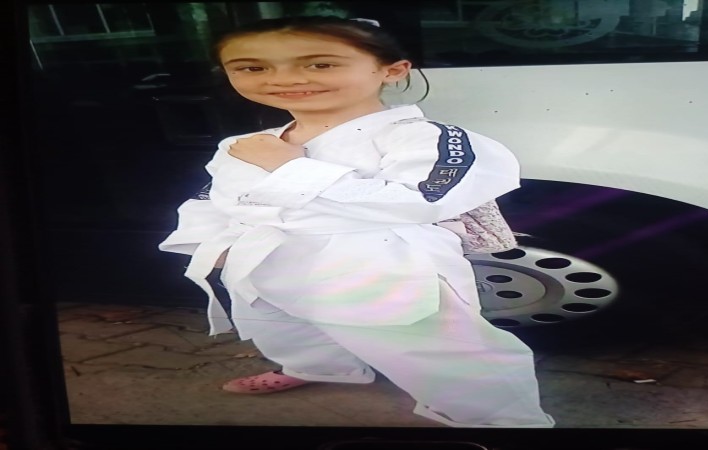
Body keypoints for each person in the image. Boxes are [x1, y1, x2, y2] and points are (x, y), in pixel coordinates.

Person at [158, 15, 555, 428]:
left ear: (392, 70)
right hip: (266, 258)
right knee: (285, 326)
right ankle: (319, 367)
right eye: (252, 67)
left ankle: (504, 422)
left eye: (320, 64)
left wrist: (292, 169)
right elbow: (213, 196)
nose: (285, 78)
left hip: (375, 263)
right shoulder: (248, 144)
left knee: (439, 351)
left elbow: (422, 200)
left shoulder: (426, 137)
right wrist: (209, 241)